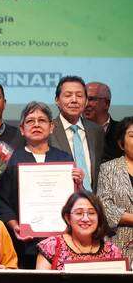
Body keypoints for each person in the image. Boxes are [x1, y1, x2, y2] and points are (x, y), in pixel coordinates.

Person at [0, 101, 84, 269]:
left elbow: (75, 200)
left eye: (42, 120)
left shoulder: (64, 159)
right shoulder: (10, 160)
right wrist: (15, 226)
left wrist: (78, 184)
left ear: (52, 127)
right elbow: (1, 200)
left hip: (61, 241)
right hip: (24, 243)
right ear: (21, 129)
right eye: (30, 121)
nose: (36, 125)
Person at [36, 190, 122, 270]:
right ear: (68, 218)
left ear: (99, 217)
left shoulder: (112, 251)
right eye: (79, 213)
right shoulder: (52, 247)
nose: (85, 219)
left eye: (91, 213)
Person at [49, 76, 104, 192]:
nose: (74, 100)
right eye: (68, 95)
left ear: (86, 101)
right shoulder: (49, 129)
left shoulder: (96, 131)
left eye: (79, 96)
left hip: (92, 202)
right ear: (57, 100)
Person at [97, 116, 133, 262]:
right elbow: (105, 207)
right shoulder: (108, 169)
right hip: (120, 245)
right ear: (121, 143)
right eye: (132, 135)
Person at [84, 82, 122, 162]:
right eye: (83, 99)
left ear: (106, 103)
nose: (86, 104)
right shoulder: (75, 130)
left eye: (91, 99)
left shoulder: (122, 130)